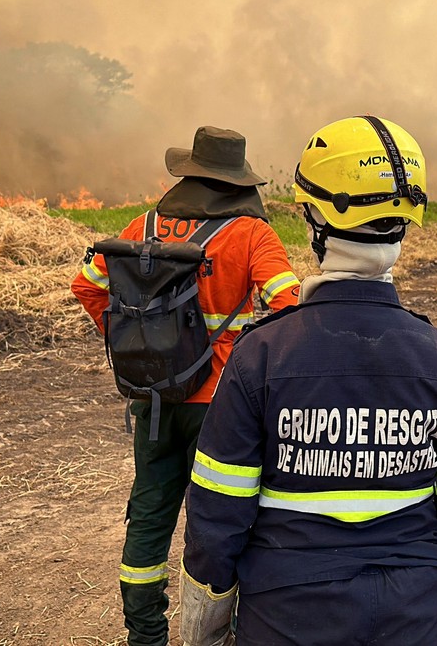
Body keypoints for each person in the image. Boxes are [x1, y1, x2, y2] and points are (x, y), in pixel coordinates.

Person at [179, 115, 437, 646]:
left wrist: (205, 632)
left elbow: (216, 519)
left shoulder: (258, 356)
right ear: (405, 225)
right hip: (417, 618)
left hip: (288, 620)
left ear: (313, 222)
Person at [71, 125, 301, 646]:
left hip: (152, 399)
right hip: (221, 405)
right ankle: (221, 631)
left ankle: (146, 634)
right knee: (221, 519)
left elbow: (86, 285)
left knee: (150, 512)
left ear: (189, 173)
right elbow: (288, 306)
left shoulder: (139, 226)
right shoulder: (252, 235)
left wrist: (131, 343)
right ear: (238, 182)